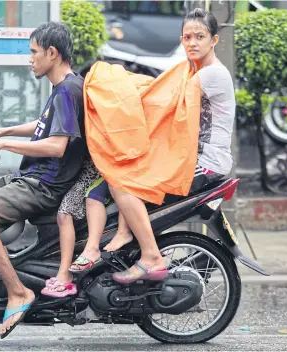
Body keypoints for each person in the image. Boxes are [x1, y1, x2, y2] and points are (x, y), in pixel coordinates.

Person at [66, 7, 236, 285]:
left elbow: (160, 97)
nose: (192, 43)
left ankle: (150, 255)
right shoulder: (192, 71)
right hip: (189, 156)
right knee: (125, 172)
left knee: (122, 183)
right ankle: (125, 232)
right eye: (187, 37)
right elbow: (160, 89)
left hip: (207, 164)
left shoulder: (211, 75)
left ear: (214, 40)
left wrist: (110, 86)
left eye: (199, 37)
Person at [0, 22, 87, 338]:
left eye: (33, 52)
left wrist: (0, 144)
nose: (30, 59)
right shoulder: (66, 87)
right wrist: (5, 130)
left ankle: (17, 291)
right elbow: (45, 125)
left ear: (52, 53)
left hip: (44, 184)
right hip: (38, 177)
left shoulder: (67, 91)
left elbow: (57, 146)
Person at [41, 157, 133, 297]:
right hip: (75, 171)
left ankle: (83, 256)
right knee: (64, 213)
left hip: (103, 169)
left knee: (88, 200)